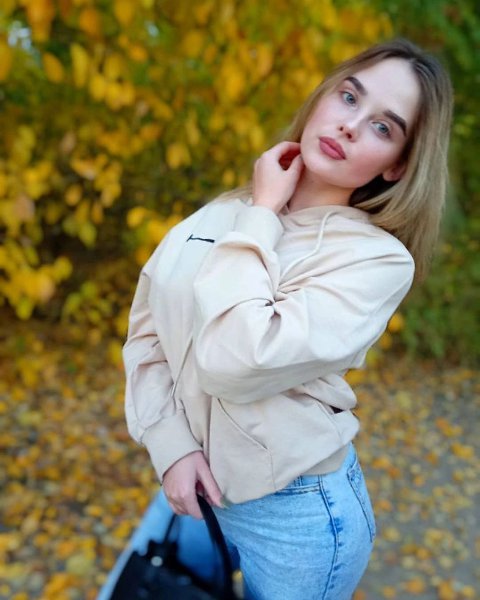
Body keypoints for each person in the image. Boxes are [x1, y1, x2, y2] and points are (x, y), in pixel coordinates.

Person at [111, 38, 453, 600]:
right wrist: (171, 445)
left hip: (296, 517)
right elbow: (147, 334)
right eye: (349, 97)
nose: (349, 126)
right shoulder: (224, 211)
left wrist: (264, 214)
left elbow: (233, 360)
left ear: (397, 166)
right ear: (323, 97)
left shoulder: (376, 260)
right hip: (194, 483)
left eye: (382, 127)